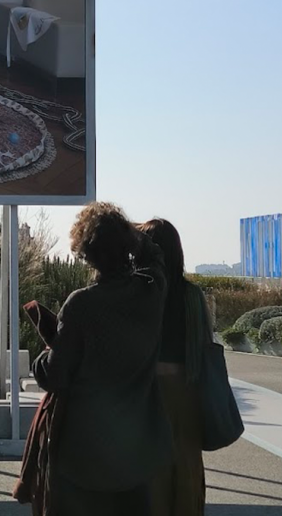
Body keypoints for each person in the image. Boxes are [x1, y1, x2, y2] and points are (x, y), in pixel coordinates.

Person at [31, 202, 172, 515]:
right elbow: (157, 257)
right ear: (127, 248)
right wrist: (130, 234)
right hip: (136, 454)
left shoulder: (80, 305)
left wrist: (43, 356)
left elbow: (54, 376)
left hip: (84, 457)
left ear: (85, 254)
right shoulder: (152, 292)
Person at [139, 218, 210, 515]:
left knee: (149, 476)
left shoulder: (139, 292)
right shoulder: (192, 295)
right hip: (186, 392)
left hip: (145, 394)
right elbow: (205, 346)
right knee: (186, 472)